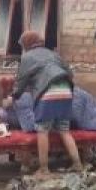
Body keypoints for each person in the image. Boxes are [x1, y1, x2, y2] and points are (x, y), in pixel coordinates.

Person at [13, 30, 83, 175]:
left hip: (48, 92)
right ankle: (77, 164)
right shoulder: (53, 54)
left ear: (27, 43)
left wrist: (15, 95)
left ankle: (44, 168)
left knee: (42, 130)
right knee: (64, 130)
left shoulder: (27, 57)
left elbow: (21, 80)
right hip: (66, 91)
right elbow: (69, 73)